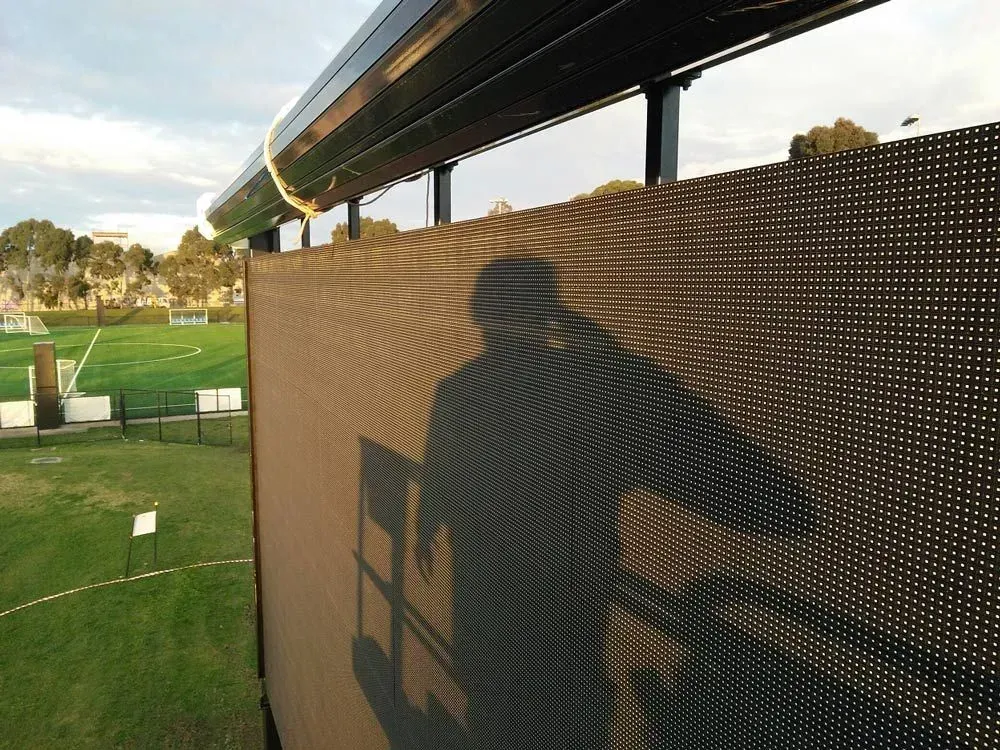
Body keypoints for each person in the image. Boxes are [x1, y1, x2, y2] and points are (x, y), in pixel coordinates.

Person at [415, 258, 811, 749]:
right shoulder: (590, 389)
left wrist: (427, 523)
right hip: (569, 619)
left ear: (480, 316)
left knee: (497, 719)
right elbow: (773, 502)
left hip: (487, 611)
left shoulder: (461, 391)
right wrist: (606, 353)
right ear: (549, 315)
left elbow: (442, 479)